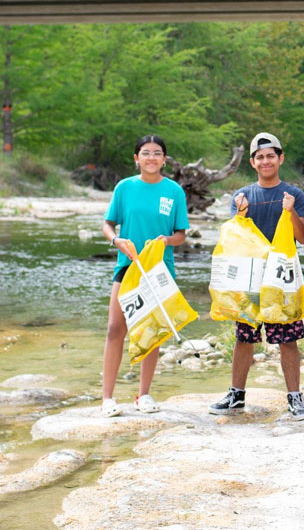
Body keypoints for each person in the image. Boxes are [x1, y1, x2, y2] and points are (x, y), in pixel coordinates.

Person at [209, 133, 304, 421]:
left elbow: (303, 237)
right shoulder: (242, 195)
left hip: (281, 278)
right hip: (249, 278)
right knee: (244, 338)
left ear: (280, 159)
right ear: (253, 162)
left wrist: (290, 211)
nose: (265, 161)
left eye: (271, 155)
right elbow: (235, 238)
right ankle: (236, 395)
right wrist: (240, 213)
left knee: (287, 339)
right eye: (260, 157)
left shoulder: (295, 195)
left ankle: (295, 397)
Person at [100, 135, 188, 417]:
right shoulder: (124, 188)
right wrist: (117, 241)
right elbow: (108, 224)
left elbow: (181, 235)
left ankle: (144, 395)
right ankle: (107, 399)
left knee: (152, 333)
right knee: (116, 328)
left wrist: (166, 241)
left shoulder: (174, 192)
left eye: (157, 153)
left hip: (159, 269)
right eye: (145, 153)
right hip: (127, 266)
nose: (151, 157)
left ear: (165, 159)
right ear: (136, 158)